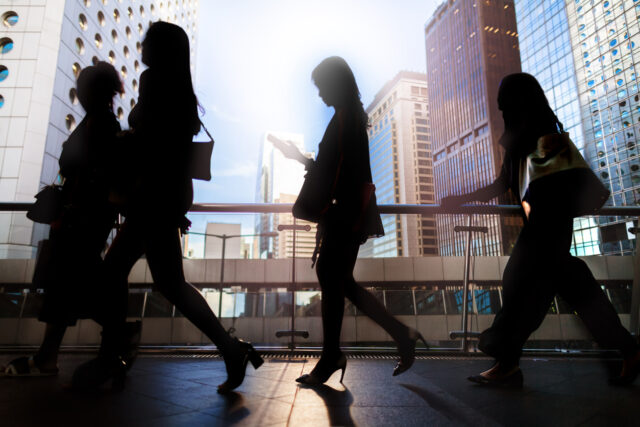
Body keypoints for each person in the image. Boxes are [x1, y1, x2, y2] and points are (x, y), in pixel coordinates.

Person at [71, 22, 262, 392]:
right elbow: (171, 150)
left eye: (147, 39)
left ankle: (112, 355)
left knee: (116, 273)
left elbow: (153, 145)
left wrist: (129, 149)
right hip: (164, 195)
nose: (141, 43)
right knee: (169, 283)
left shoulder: (153, 80)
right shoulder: (181, 90)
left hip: (150, 196)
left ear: (158, 48)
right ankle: (229, 347)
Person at [442, 73, 640, 387]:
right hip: (547, 232)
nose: (499, 105)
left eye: (503, 98)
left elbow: (538, 190)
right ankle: (629, 350)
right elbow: (503, 183)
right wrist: (461, 200)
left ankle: (506, 363)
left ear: (516, 100)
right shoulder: (524, 135)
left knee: (524, 287)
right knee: (568, 294)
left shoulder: (544, 134)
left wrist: (460, 200)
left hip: (547, 231)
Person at [273, 56, 426, 385]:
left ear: (334, 83)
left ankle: (336, 355)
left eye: (321, 87)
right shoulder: (349, 117)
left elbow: (338, 173)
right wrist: (299, 157)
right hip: (347, 212)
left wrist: (337, 211)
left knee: (334, 279)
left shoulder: (346, 119)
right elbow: (336, 170)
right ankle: (394, 336)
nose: (319, 94)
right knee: (339, 281)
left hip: (344, 213)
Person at [1, 63, 129, 377]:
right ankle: (56, 354)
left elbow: (92, 175)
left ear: (91, 92)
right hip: (85, 219)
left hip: (79, 220)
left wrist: (69, 207)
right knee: (71, 286)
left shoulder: (99, 126)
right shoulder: (102, 123)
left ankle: (115, 338)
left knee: (67, 284)